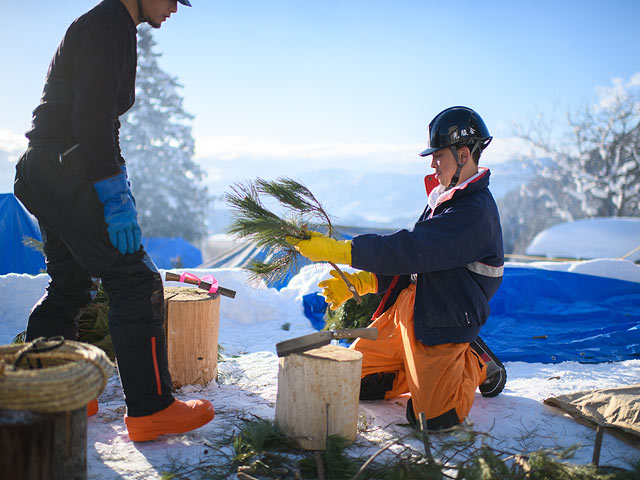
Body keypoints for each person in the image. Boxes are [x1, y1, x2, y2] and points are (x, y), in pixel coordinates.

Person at [13, 0, 214, 442]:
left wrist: (112, 182)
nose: (175, 8)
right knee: (136, 282)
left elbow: (92, 114)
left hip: (43, 166)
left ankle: (53, 390)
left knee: (70, 283)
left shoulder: (104, 23)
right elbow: (93, 118)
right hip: (64, 165)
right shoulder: (110, 26)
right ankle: (151, 409)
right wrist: (115, 193)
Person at [289, 106, 507, 430]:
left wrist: (342, 250)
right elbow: (412, 260)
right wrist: (365, 281)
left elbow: (411, 249)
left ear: (463, 154)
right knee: (355, 381)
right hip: (412, 311)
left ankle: (475, 361)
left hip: (442, 320)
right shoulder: (447, 197)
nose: (433, 163)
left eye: (439, 155)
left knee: (433, 419)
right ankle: (419, 367)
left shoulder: (474, 213)